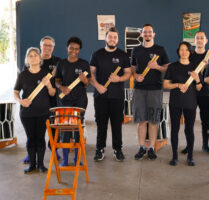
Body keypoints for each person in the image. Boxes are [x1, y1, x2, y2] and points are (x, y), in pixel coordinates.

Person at [90, 27, 131, 162]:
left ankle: (117, 149)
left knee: (116, 124)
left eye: (115, 37)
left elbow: (128, 73)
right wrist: (98, 86)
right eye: (110, 37)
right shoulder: (97, 54)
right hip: (100, 96)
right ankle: (99, 149)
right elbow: (90, 73)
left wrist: (118, 79)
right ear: (105, 38)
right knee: (101, 124)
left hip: (117, 97)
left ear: (117, 39)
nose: (112, 39)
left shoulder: (123, 55)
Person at [131, 24, 170, 160]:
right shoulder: (136, 50)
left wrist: (157, 66)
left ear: (154, 34)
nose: (147, 34)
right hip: (140, 89)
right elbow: (133, 68)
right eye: (145, 32)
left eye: (150, 32)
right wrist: (136, 76)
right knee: (141, 120)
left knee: (153, 121)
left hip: (155, 89)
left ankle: (152, 148)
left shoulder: (160, 50)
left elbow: (167, 68)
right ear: (141, 34)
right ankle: (142, 147)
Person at [14, 47, 56, 173]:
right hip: (27, 113)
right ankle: (32, 164)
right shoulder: (23, 75)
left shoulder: (46, 75)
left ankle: (41, 165)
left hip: (43, 112)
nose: (33, 57)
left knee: (40, 138)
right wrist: (21, 101)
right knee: (30, 138)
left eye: (35, 55)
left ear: (40, 58)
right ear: (27, 59)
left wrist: (48, 85)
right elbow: (15, 92)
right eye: (30, 55)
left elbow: (53, 93)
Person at [22, 36, 62, 164]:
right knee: (33, 130)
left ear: (53, 48)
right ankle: (31, 153)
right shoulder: (33, 61)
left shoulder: (58, 62)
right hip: (35, 102)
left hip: (52, 100)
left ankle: (54, 149)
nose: (47, 48)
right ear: (41, 46)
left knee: (54, 128)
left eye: (50, 45)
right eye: (45, 45)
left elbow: (61, 80)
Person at [164, 41, 202, 166]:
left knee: (189, 130)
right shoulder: (172, 67)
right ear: (178, 51)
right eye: (181, 49)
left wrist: (197, 80)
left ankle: (190, 157)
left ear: (190, 52)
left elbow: (199, 88)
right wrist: (177, 85)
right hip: (175, 102)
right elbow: (165, 84)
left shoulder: (195, 67)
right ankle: (174, 156)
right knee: (175, 129)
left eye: (186, 49)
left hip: (190, 103)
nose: (184, 52)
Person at [55, 36, 91, 166]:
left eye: (76, 49)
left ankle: (77, 159)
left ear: (79, 50)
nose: (73, 51)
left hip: (80, 101)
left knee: (77, 129)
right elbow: (57, 80)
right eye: (71, 48)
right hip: (65, 102)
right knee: (65, 130)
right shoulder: (61, 63)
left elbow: (88, 84)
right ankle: (65, 159)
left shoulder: (84, 64)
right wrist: (61, 87)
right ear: (67, 48)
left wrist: (84, 80)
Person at [181, 31, 209, 155]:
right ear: (194, 41)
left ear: (206, 41)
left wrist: (206, 68)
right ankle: (188, 145)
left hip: (206, 93)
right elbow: (185, 71)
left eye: (202, 38)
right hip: (191, 92)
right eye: (197, 38)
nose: (199, 40)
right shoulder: (190, 55)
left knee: (206, 120)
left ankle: (205, 145)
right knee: (189, 120)